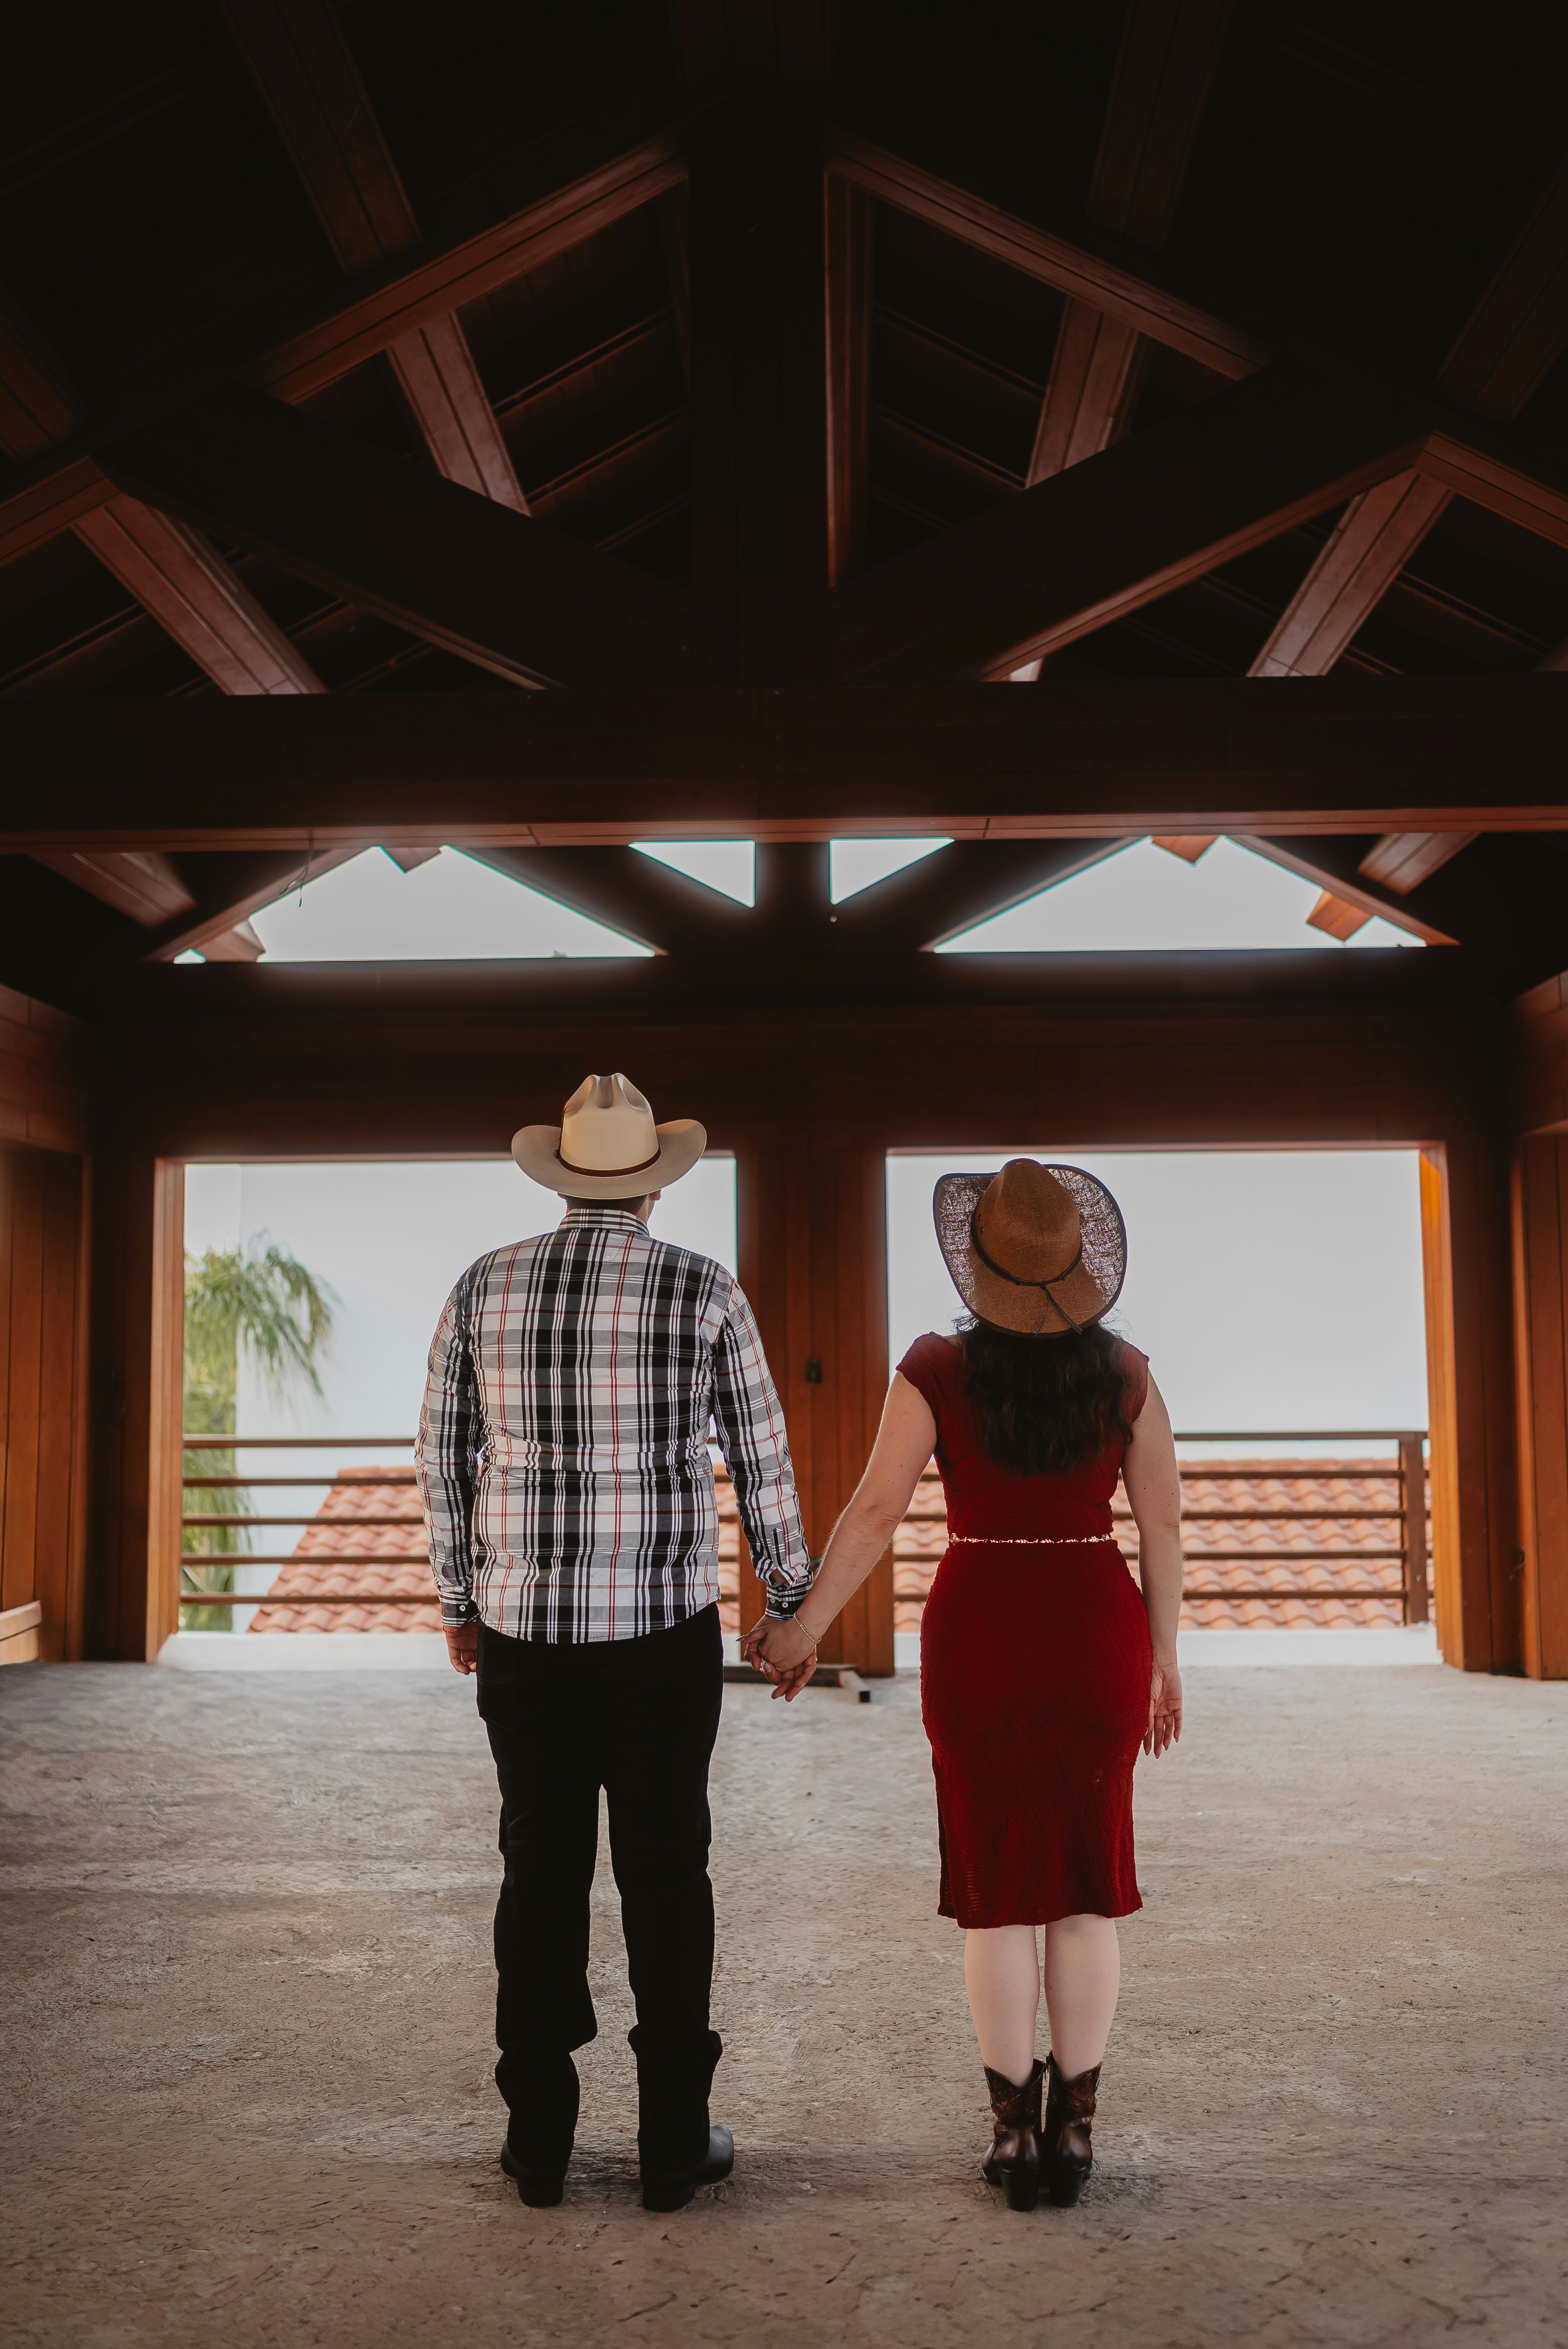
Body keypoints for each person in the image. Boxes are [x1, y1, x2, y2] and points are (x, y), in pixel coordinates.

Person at [743, 1158, 1182, 2213]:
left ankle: (1007, 2139)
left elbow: (875, 1515)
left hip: (979, 1626)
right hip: (1094, 1632)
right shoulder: (1125, 1372)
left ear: (978, 1264)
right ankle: (1073, 2137)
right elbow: (1163, 1523)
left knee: (997, 1893)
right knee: (1085, 1886)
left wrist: (802, 1629)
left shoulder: (935, 1366)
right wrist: (1165, 1657)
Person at [417, 1072, 812, 2214]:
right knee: (664, 1869)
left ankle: (539, 2143)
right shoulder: (701, 1289)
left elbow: (445, 1460)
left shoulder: (482, 1286)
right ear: (652, 1189)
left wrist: (459, 1601)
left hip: (525, 1637)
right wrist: (787, 1606)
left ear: (564, 1176)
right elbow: (762, 1459)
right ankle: (672, 2149)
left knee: (538, 1868)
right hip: (660, 1639)